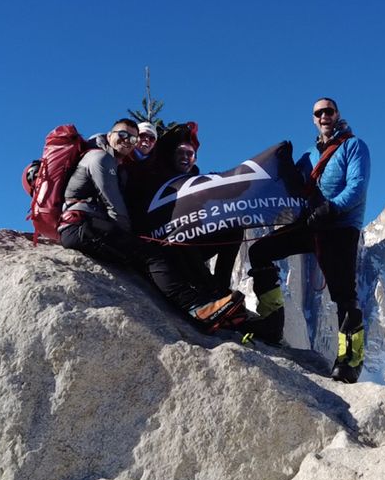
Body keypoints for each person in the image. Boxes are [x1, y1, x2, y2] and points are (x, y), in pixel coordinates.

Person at [58, 117, 245, 330]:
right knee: (151, 256)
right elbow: (115, 207)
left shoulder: (116, 164)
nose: (128, 140)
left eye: (132, 137)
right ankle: (197, 308)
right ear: (109, 136)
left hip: (88, 225)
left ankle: (213, 299)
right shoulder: (101, 159)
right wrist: (133, 236)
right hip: (81, 225)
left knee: (156, 254)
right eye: (123, 135)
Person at [247, 97, 370, 382]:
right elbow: (295, 187)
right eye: (318, 113)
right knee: (261, 251)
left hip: (340, 226)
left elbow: (357, 187)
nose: (324, 116)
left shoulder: (354, 146)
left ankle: (350, 360)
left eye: (328, 111)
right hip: (311, 224)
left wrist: (332, 207)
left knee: (343, 295)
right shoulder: (309, 156)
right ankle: (272, 322)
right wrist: (282, 164)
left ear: (337, 114)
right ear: (314, 119)